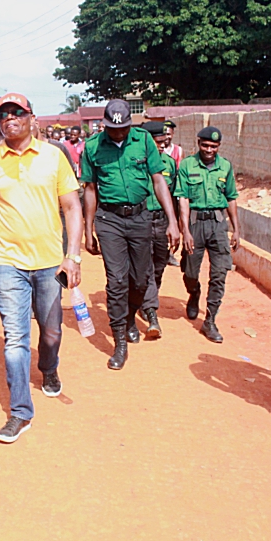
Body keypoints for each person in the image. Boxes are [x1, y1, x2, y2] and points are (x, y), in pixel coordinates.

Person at [0, 93, 83, 443]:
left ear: (31, 117)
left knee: (51, 332)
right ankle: (20, 412)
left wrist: (73, 255)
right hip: (7, 263)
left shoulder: (53, 156)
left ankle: (49, 368)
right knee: (16, 339)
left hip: (51, 262)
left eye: (16, 113)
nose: (9, 119)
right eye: (2, 115)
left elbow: (71, 207)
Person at [81, 101, 180, 370]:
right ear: (104, 125)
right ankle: (120, 341)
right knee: (116, 281)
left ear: (129, 123)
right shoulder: (92, 147)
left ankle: (128, 317)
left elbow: (158, 180)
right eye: (113, 129)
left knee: (140, 279)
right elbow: (89, 189)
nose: (118, 133)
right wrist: (88, 229)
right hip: (109, 219)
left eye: (123, 128)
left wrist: (173, 221)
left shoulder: (144, 140)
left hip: (140, 217)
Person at [175, 126, 241, 343]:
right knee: (190, 271)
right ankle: (194, 293)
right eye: (205, 145)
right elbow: (183, 199)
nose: (209, 150)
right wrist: (185, 231)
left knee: (220, 273)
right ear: (198, 144)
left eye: (213, 146)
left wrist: (236, 229)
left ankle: (210, 321)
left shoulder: (226, 167)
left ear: (219, 146)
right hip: (195, 222)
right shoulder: (187, 165)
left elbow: (231, 197)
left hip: (218, 223)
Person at [138, 121, 178, 338]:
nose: (162, 146)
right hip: (142, 220)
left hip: (161, 221)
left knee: (159, 265)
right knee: (146, 268)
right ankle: (151, 311)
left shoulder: (169, 164)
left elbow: (174, 196)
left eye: (165, 142)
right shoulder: (136, 162)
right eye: (158, 142)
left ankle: (145, 299)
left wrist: (176, 224)